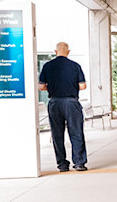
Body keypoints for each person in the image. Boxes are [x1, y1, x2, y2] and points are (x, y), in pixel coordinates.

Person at [38, 42, 88, 171]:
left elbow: (41, 86)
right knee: (76, 132)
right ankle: (79, 163)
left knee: (57, 134)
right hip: (72, 103)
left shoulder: (47, 66)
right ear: (68, 52)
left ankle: (62, 164)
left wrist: (55, 87)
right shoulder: (75, 66)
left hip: (55, 103)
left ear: (55, 51)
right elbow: (82, 86)